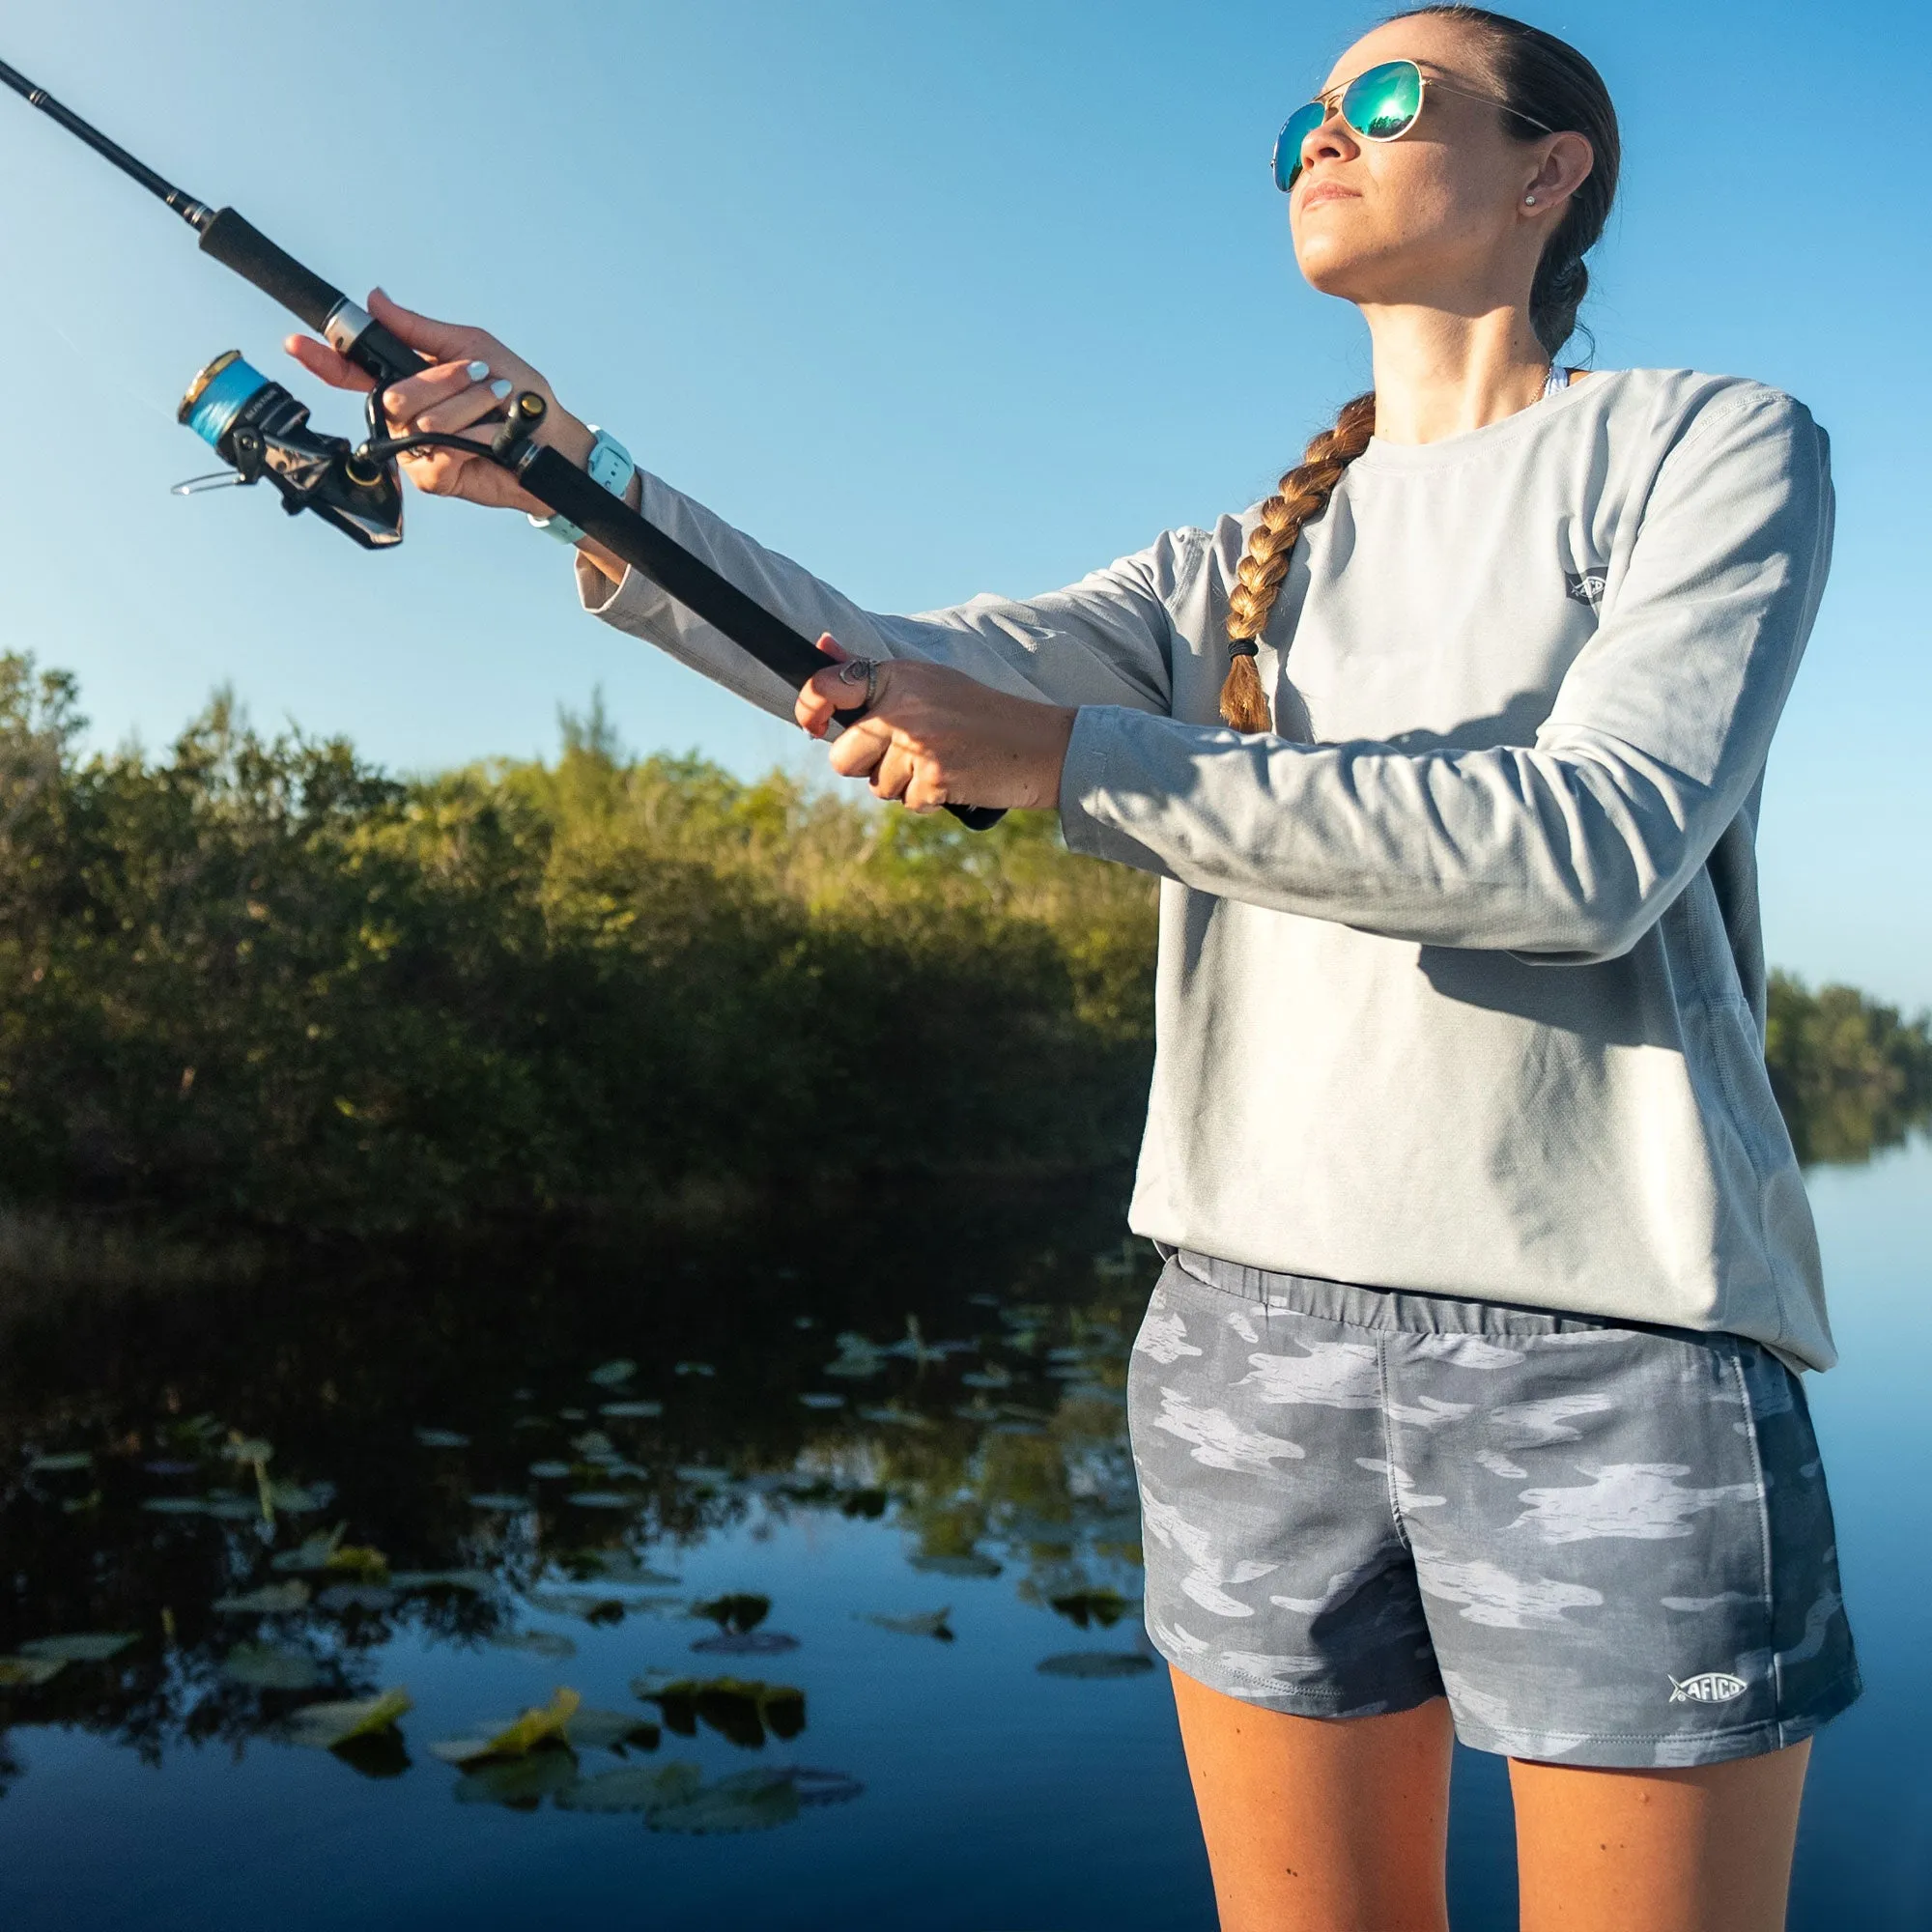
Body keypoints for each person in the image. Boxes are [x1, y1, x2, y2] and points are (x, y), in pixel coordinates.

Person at [289, 8, 1858, 1926]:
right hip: (1245, 1342)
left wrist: (1070, 762)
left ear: (1550, 171)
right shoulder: (1238, 566)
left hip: (1615, 1354)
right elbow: (869, 657)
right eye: (1301, 114)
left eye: (1382, 99)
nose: (1318, 136)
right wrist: (567, 469)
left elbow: (1596, 846)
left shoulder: (1713, 447)